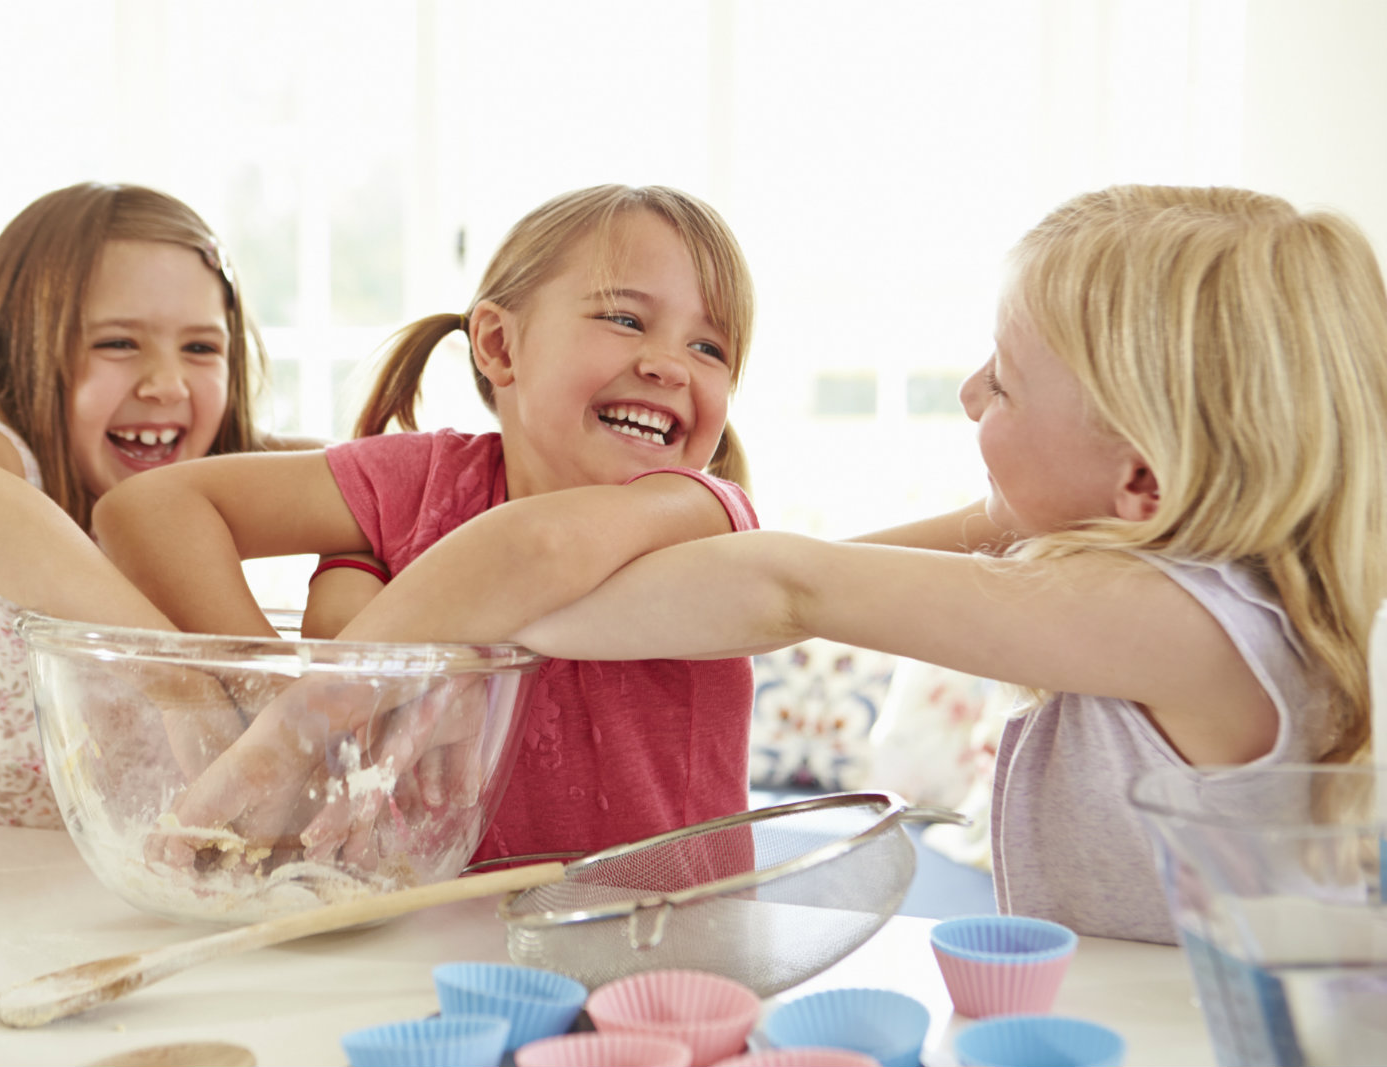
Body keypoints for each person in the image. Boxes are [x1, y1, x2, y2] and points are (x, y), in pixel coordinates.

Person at [516, 184, 1387, 943]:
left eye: (1003, 382)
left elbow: (786, 584)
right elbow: (797, 579)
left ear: (1142, 480)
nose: (969, 393)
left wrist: (481, 604)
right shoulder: (1209, 583)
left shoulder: (1173, 620)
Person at [92, 183, 759, 868]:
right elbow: (146, 511)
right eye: (626, 319)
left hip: (669, 938)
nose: (670, 364)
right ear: (500, 345)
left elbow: (536, 547)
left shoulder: (701, 514)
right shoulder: (426, 482)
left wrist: (318, 714)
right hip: (441, 938)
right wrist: (273, 696)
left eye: (710, 347)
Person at [0, 181, 325, 828]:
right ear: (21, 347)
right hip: (19, 878)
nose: (167, 383)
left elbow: (385, 487)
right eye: (119, 343)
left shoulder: (216, 477)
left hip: (186, 870)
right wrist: (184, 684)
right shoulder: (7, 459)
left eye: (201, 347)